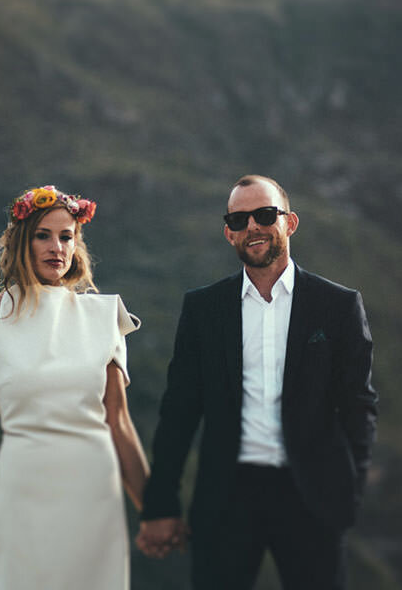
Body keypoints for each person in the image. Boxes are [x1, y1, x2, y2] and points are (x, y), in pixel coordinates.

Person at [136, 175, 378, 589]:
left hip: (312, 499)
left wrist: (346, 493)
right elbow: (179, 411)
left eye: (265, 214)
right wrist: (160, 504)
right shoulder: (203, 309)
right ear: (228, 233)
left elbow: (359, 407)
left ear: (290, 222)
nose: (253, 226)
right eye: (239, 218)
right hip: (226, 499)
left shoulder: (337, 306)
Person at [0, 185, 149, 588]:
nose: (56, 247)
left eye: (66, 236)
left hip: (94, 493)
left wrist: (156, 512)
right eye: (43, 235)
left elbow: (120, 424)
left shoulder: (104, 316)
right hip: (21, 489)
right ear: (20, 241)